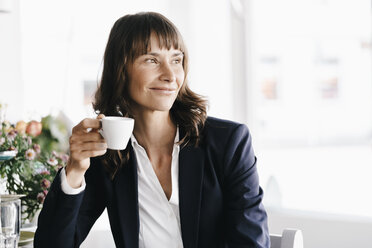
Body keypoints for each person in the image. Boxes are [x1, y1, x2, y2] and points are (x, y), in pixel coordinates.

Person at [34, 12, 270, 248]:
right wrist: (75, 170)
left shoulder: (229, 142)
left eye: (176, 60)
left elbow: (251, 243)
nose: (170, 76)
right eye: (152, 60)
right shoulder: (107, 153)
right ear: (121, 69)